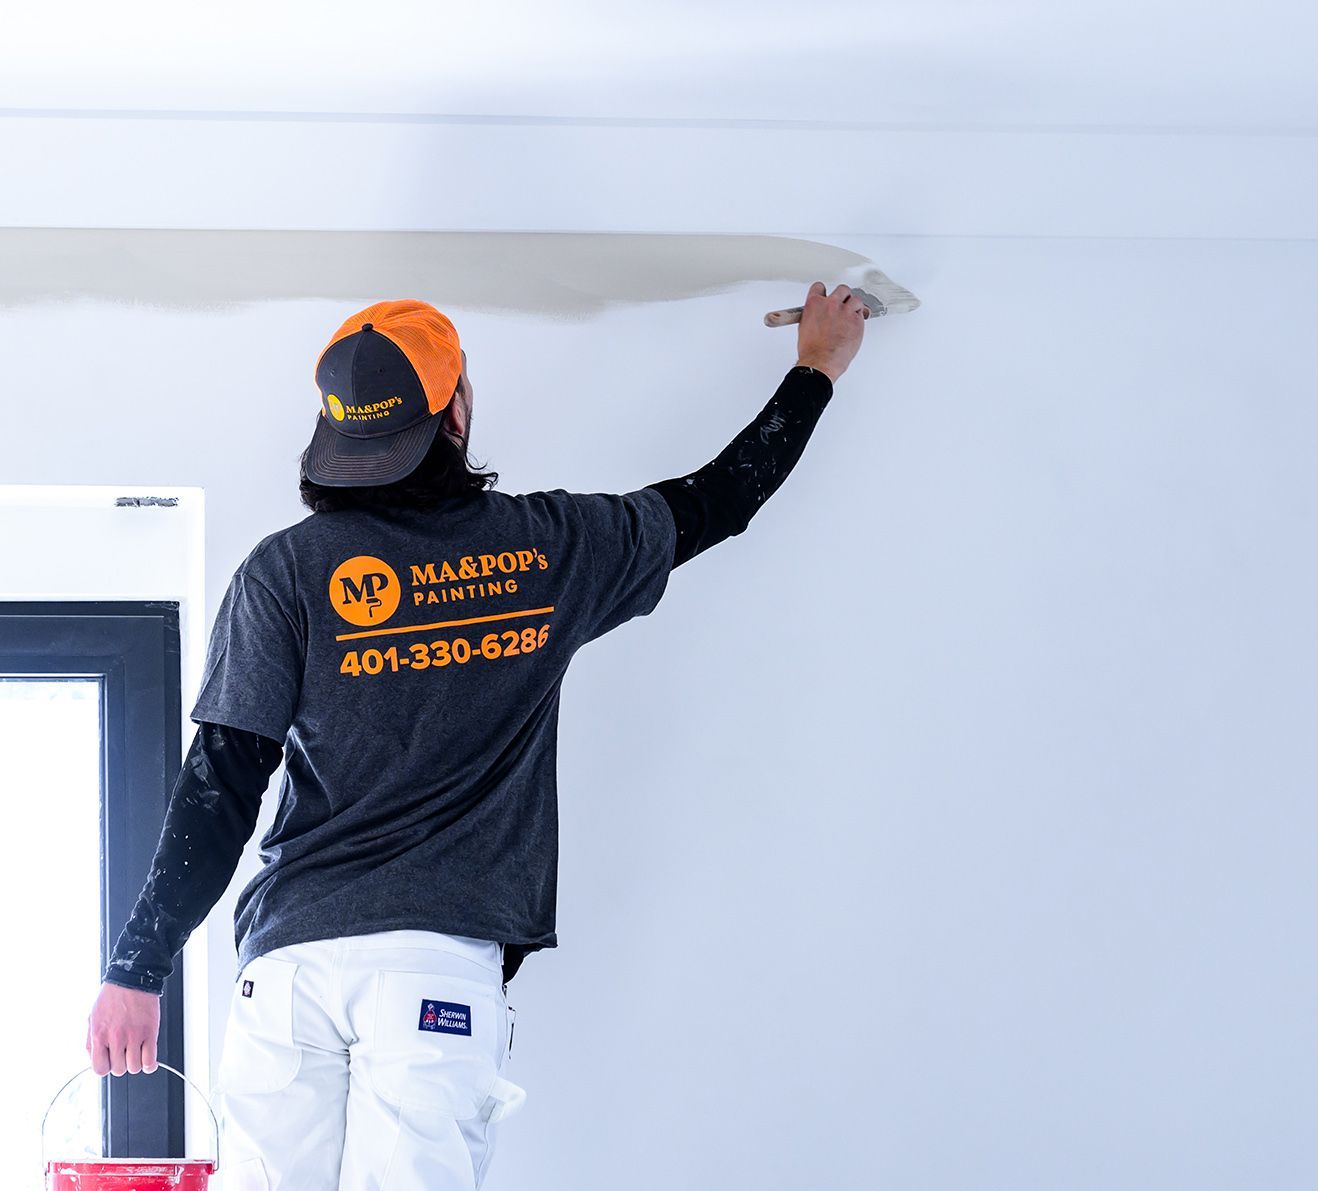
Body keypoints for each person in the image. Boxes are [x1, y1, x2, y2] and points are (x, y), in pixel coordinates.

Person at [82, 281, 867, 1188]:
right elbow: (715, 501)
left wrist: (137, 967)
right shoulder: (548, 549)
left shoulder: (284, 571)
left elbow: (220, 781)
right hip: (431, 970)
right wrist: (815, 369)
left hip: (290, 967)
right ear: (453, 411)